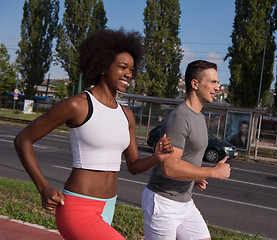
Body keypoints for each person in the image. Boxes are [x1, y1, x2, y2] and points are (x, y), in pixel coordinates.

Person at [13, 28, 173, 240]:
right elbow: (23, 139)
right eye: (123, 67)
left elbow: (133, 166)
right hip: (77, 207)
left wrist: (157, 157)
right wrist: (43, 187)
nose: (128, 74)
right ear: (103, 67)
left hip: (108, 206)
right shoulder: (78, 105)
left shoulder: (126, 115)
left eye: (132, 69)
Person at [141, 60, 231, 240]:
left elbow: (185, 158)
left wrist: (194, 175)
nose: (217, 87)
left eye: (217, 82)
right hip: (163, 202)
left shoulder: (198, 116)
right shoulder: (180, 117)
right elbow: (169, 168)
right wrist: (212, 171)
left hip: (184, 203)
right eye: (213, 82)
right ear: (195, 84)